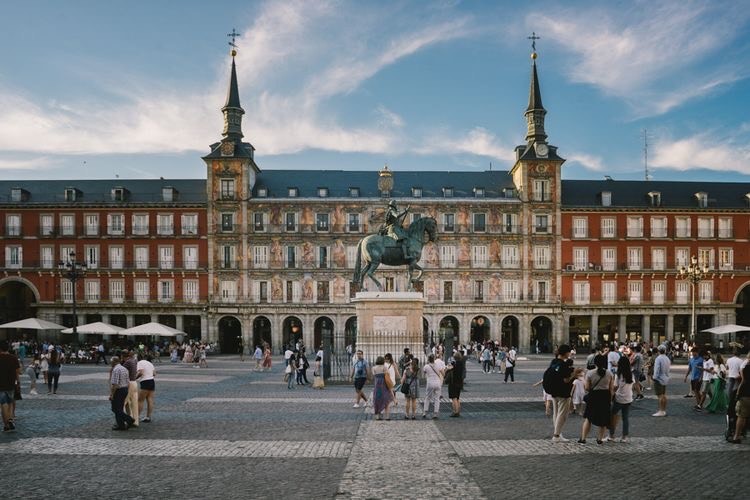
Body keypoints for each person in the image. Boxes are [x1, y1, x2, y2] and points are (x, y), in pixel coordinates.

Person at [545, 344, 582, 442]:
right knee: (562, 414)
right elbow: (566, 380)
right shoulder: (563, 364)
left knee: (556, 413)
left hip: (553, 391)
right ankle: (556, 435)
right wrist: (575, 373)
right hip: (563, 392)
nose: (570, 354)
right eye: (569, 352)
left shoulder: (554, 362)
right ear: (566, 353)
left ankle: (558, 433)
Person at [578, 354, 614, 444]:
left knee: (589, 418)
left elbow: (587, 388)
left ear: (595, 363)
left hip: (594, 396)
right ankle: (599, 439)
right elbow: (611, 388)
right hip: (605, 396)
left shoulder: (590, 373)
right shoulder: (609, 373)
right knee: (603, 419)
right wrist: (610, 399)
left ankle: (583, 438)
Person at [608, 355, 634, 442]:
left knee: (612, 415)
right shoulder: (631, 374)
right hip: (628, 398)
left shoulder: (619, 375)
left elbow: (615, 387)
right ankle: (624, 437)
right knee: (625, 418)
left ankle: (611, 435)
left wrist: (612, 393)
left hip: (619, 398)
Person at [0, 340, 21, 432]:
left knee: (3, 404)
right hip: (11, 384)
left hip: (0, 384)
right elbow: (18, 371)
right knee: (10, 402)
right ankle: (10, 419)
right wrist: (18, 382)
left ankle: (6, 425)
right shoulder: (14, 358)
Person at [109, 356, 135, 431]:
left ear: (114, 362)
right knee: (119, 408)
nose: (110, 363)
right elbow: (128, 381)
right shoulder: (124, 369)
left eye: (111, 362)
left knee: (115, 408)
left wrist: (112, 394)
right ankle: (121, 425)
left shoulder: (116, 370)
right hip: (125, 389)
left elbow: (115, 384)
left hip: (118, 390)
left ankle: (129, 419)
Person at [729, 362, 750, 444]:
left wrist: (737, 393)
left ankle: (736, 437)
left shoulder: (747, 367)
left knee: (741, 416)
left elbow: (742, 380)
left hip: (746, 394)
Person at [371, 356, 393, 420]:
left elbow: (373, 375)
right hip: (384, 385)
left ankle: (378, 415)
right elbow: (387, 375)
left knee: (377, 399)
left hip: (377, 385)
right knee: (386, 400)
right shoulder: (384, 367)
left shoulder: (373, 368)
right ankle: (387, 416)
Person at [422, 354, 444, 419]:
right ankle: (435, 413)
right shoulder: (438, 365)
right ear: (434, 358)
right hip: (437, 383)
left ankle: (425, 412)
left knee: (427, 397)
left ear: (428, 359)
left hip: (430, 383)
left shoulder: (426, 366)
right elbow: (443, 373)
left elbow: (424, 373)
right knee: (437, 398)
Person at [652, 344, 671, 417]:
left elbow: (656, 369)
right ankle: (663, 410)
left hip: (659, 378)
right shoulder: (667, 358)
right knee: (663, 395)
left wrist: (654, 377)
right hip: (665, 378)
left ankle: (661, 411)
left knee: (660, 395)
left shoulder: (658, 358)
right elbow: (668, 369)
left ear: (658, 351)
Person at [136, 354, 156, 423]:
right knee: (150, 399)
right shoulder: (150, 363)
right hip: (152, 381)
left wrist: (134, 378)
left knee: (140, 400)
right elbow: (154, 374)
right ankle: (148, 417)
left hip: (145, 381)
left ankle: (137, 416)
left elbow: (140, 373)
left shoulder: (140, 363)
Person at [122, 350, 139, 427]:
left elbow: (122, 372)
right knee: (134, 404)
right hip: (134, 382)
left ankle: (124, 421)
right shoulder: (134, 361)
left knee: (123, 403)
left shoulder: (127, 362)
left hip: (129, 384)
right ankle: (135, 421)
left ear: (123, 356)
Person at [447, 351, 465, 417]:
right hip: (459, 382)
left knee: (454, 398)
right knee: (457, 398)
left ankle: (455, 411)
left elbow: (448, 368)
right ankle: (458, 411)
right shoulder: (461, 363)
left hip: (453, 382)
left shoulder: (454, 364)